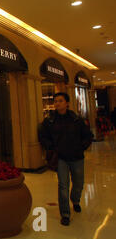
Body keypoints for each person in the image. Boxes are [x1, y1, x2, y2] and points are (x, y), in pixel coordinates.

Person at [38, 92, 93, 226]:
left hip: (77, 157)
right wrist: (50, 147)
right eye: (56, 101)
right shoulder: (49, 120)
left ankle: (75, 200)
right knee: (63, 186)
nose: (57, 103)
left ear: (67, 103)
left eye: (60, 101)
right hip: (60, 157)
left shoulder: (77, 120)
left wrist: (82, 147)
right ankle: (65, 213)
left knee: (78, 183)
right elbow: (43, 136)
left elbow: (88, 135)